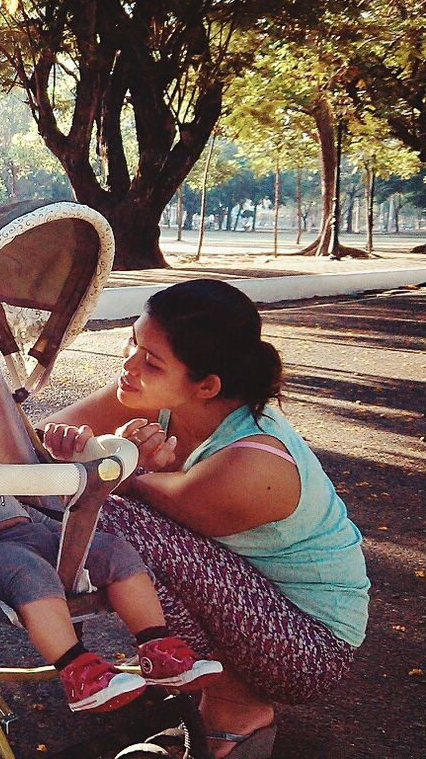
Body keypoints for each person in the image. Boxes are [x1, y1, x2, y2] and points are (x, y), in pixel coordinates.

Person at [41, 279, 369, 759]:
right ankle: (202, 678)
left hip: (309, 646)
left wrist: (119, 466)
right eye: (133, 342)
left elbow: (121, 495)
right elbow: (42, 448)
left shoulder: (254, 463)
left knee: (112, 520)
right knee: (95, 511)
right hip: (251, 601)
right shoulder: (155, 394)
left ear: (207, 386)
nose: (129, 366)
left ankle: (236, 703)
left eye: (151, 361)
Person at [0, 376, 222, 715]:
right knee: (30, 571)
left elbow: (19, 508)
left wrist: (65, 533)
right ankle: (77, 671)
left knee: (113, 550)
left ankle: (157, 647)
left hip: (32, 531)